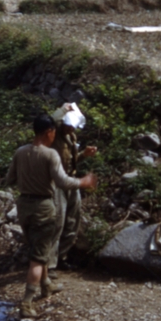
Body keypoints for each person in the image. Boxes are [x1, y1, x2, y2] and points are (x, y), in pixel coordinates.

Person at [3, 114, 97, 317]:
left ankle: (46, 284)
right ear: (49, 132)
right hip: (43, 206)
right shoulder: (50, 154)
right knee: (38, 257)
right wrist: (83, 182)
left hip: (23, 206)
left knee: (38, 246)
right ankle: (27, 303)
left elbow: (9, 179)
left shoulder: (20, 152)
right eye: (54, 131)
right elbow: (63, 181)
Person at [51, 103, 98, 267]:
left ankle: (61, 257)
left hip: (71, 182)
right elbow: (51, 120)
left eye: (73, 127)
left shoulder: (72, 138)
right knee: (58, 221)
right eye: (68, 126)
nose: (71, 130)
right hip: (57, 183)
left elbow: (72, 162)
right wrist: (63, 109)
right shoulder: (54, 134)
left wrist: (84, 154)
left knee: (72, 221)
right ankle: (49, 263)